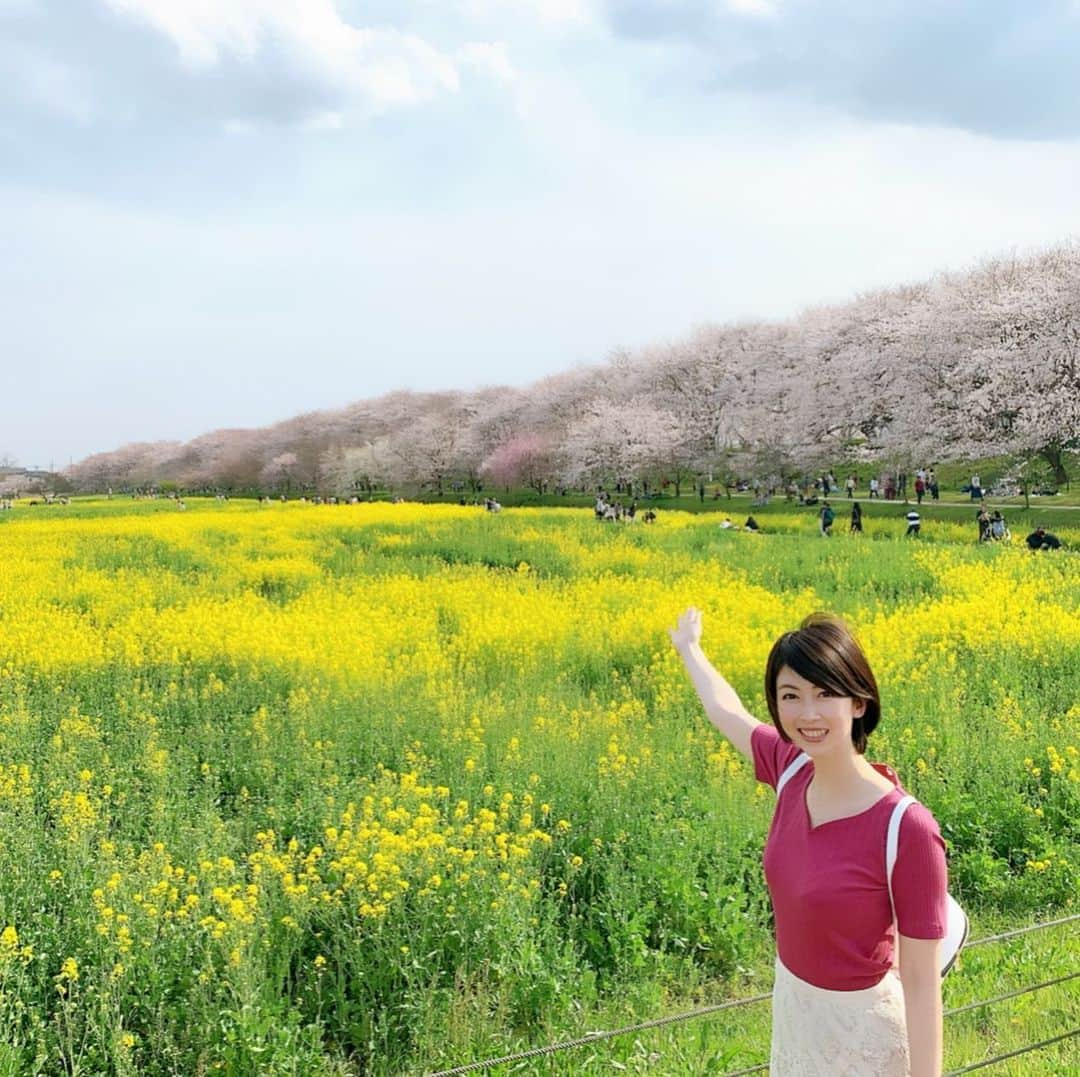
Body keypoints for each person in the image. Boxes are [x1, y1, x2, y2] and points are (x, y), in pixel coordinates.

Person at [668, 611, 947, 1076]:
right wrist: (690, 649)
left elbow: (921, 983)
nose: (808, 714)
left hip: (863, 1035)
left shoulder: (906, 828)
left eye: (825, 694)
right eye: (791, 696)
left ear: (858, 702)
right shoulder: (791, 768)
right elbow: (726, 711)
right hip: (795, 1012)